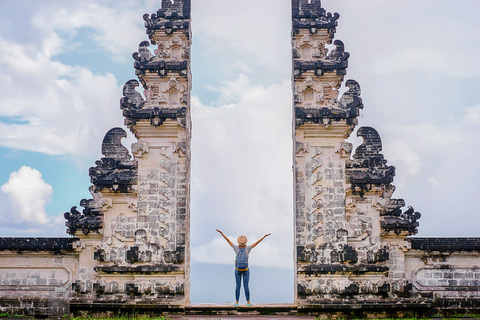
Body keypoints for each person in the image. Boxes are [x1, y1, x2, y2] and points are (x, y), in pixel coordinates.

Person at [216, 229, 271, 306]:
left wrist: (221, 233)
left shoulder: (236, 248)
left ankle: (237, 302)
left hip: (237, 270)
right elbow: (257, 242)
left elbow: (228, 240)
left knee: (238, 285)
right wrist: (264, 236)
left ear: (238, 242)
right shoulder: (248, 248)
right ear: (245, 242)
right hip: (246, 270)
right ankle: (248, 302)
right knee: (246, 285)